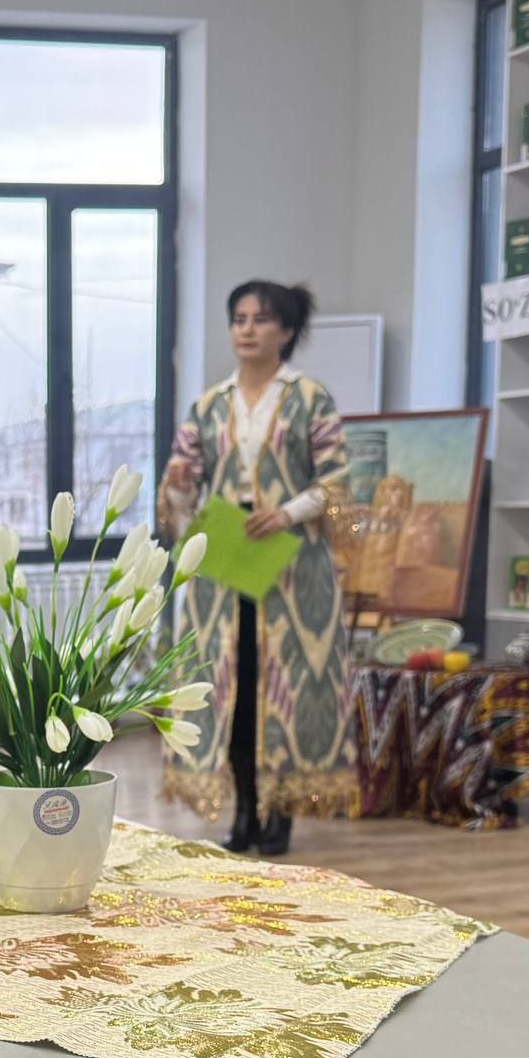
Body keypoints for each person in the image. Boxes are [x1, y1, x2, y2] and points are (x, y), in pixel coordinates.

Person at [158, 279, 358, 853]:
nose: (247, 329)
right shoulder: (207, 406)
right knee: (233, 688)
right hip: (226, 564)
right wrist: (178, 485)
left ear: (286, 331)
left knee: (285, 688)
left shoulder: (309, 397)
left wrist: (288, 512)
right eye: (239, 318)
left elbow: (338, 480)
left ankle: (281, 813)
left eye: (261, 319)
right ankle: (244, 810)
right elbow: (181, 494)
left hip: (291, 565)